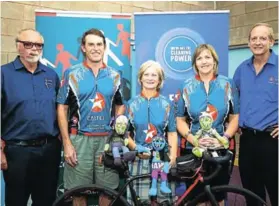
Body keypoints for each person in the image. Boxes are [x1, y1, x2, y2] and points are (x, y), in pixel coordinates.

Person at [57, 28, 125, 206]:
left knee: (108, 192)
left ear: (105, 47)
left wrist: (117, 129)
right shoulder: (71, 73)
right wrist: (67, 142)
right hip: (79, 140)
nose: (96, 48)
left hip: (107, 141)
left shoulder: (115, 75)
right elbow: (62, 108)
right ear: (83, 48)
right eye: (91, 44)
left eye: (99, 44)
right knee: (78, 192)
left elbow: (120, 104)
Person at [1, 28, 61, 206]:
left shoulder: (51, 75)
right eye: (28, 44)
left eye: (38, 45)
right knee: (16, 201)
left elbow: (61, 110)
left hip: (49, 150)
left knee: (46, 200)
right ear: (18, 46)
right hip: (17, 152)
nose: (34, 49)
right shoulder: (4, 74)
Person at [175, 44, 239, 205]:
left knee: (218, 197)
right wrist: (193, 140)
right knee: (197, 197)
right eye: (199, 58)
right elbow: (180, 120)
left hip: (220, 150)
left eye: (207, 57)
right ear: (195, 63)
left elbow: (235, 117)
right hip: (193, 151)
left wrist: (223, 138)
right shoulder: (186, 86)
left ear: (215, 61)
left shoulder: (228, 84)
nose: (204, 61)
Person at [233, 23, 278, 206]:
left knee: (276, 191)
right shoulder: (242, 69)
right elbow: (232, 99)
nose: (258, 42)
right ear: (249, 43)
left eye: (262, 38)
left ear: (271, 41)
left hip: (272, 141)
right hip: (247, 140)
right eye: (254, 38)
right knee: (251, 193)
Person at [126, 60, 178, 205]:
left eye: (154, 75)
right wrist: (136, 148)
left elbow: (172, 133)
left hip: (162, 158)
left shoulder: (167, 104)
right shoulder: (131, 104)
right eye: (146, 74)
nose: (150, 78)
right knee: (139, 202)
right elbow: (125, 134)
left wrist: (172, 157)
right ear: (140, 78)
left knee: (164, 202)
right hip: (138, 159)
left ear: (160, 80)